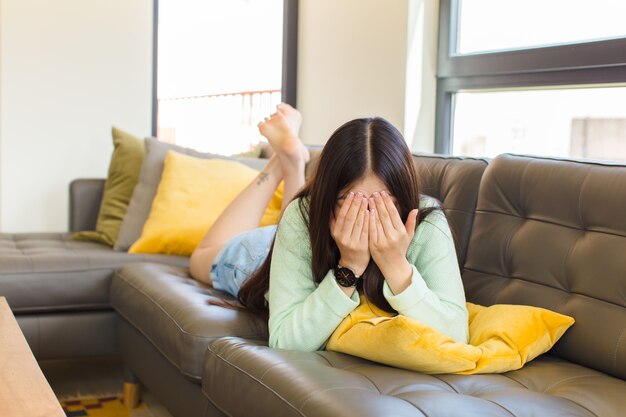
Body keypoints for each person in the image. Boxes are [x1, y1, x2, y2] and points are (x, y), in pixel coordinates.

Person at [189, 103, 469, 352]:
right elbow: (286, 341)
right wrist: (348, 268)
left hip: (299, 244)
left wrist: (397, 266)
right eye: (349, 205)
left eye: (385, 205)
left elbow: (457, 337)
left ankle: (291, 162)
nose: (366, 219)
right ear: (326, 200)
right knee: (199, 259)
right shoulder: (302, 217)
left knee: (291, 223)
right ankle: (282, 164)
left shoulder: (426, 220)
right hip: (260, 256)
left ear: (405, 198)